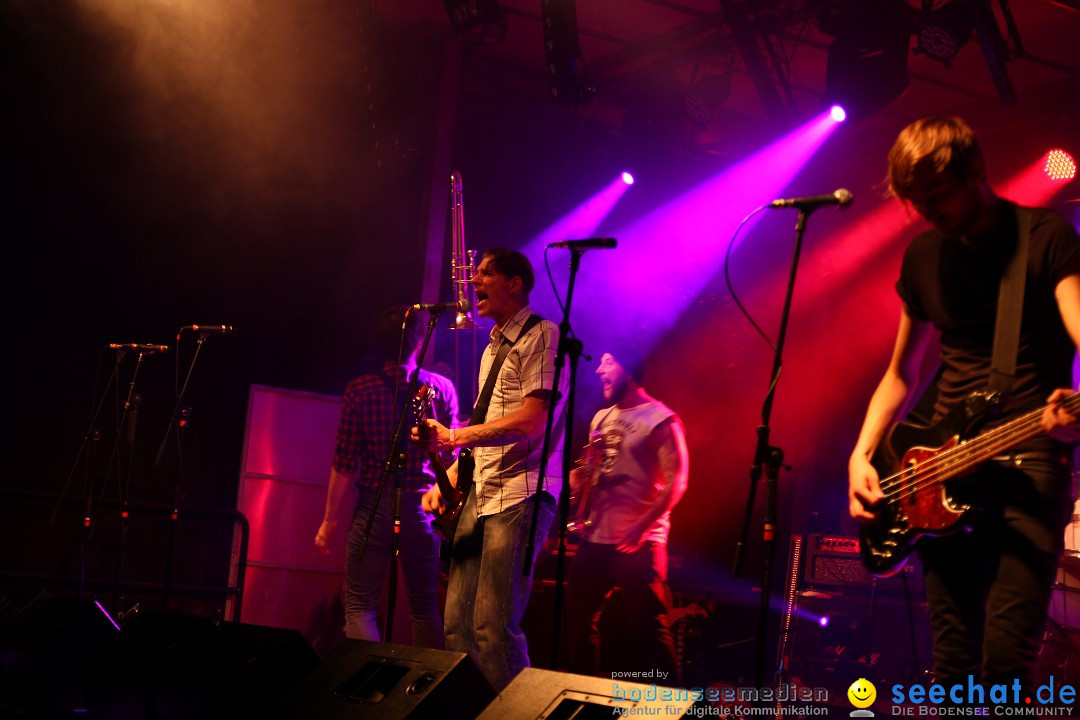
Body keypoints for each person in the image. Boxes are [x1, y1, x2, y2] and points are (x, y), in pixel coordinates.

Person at [848, 116, 1080, 696]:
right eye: (915, 200)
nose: (927, 210)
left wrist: (1073, 418)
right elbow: (901, 373)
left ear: (975, 170)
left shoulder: (1046, 237)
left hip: (1027, 461)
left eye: (937, 195)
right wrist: (863, 455)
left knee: (1005, 666)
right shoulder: (924, 256)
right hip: (935, 472)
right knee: (951, 665)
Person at [413, 247, 567, 691]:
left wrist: (453, 437)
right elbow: (486, 422)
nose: (474, 282)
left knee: (492, 628)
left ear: (515, 282)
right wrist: (455, 477)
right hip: (483, 491)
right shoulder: (491, 348)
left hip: (521, 493)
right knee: (457, 628)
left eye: (485, 274)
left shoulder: (542, 335)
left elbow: (533, 422)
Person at [314, 305, 459, 647]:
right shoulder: (442, 388)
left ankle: (366, 686)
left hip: (372, 508)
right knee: (424, 608)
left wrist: (328, 521)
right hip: (425, 510)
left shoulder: (359, 389)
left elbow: (344, 462)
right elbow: (454, 455)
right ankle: (426, 691)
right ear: (419, 340)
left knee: (360, 606)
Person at [565, 350, 689, 683]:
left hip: (639, 543)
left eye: (607, 363)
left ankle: (670, 712)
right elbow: (590, 468)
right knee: (578, 625)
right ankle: (584, 702)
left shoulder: (660, 418)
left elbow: (677, 480)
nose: (598, 371)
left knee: (651, 632)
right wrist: (579, 481)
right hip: (595, 540)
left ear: (628, 365)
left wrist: (642, 525)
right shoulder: (600, 418)